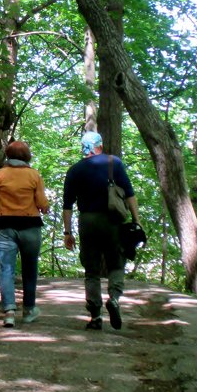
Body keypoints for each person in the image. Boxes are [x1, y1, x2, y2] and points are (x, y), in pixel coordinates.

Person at [62, 131, 141, 330]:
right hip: (112, 220)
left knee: (91, 270)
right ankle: (114, 298)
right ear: (100, 145)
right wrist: (136, 220)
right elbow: (130, 194)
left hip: (87, 220)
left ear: (83, 148)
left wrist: (67, 232)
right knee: (116, 263)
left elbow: (67, 206)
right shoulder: (114, 163)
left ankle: (95, 316)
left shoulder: (74, 170)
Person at [0, 141, 50, 327]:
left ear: (8, 155)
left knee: (6, 270)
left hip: (5, 227)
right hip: (30, 227)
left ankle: (9, 312)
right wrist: (45, 207)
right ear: (27, 156)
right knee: (30, 269)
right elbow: (42, 202)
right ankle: (29, 310)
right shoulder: (33, 175)